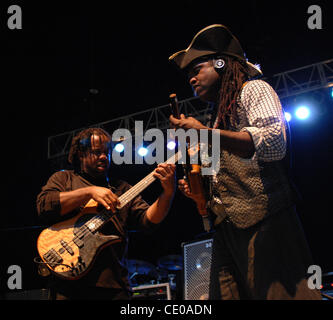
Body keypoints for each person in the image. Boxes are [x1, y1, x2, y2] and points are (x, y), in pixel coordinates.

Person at [169, 24, 321, 300]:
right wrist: (198, 192)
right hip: (227, 230)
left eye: (196, 70)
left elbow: (275, 142)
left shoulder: (254, 90)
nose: (191, 79)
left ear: (221, 63)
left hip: (265, 221)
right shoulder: (217, 114)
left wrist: (205, 134)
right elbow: (221, 174)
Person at [36, 127, 176, 300]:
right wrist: (89, 192)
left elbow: (148, 221)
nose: (104, 156)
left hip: (114, 286)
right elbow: (45, 205)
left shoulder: (122, 189)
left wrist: (168, 193)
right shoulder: (64, 179)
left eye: (106, 152)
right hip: (69, 285)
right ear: (81, 154)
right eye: (97, 152)